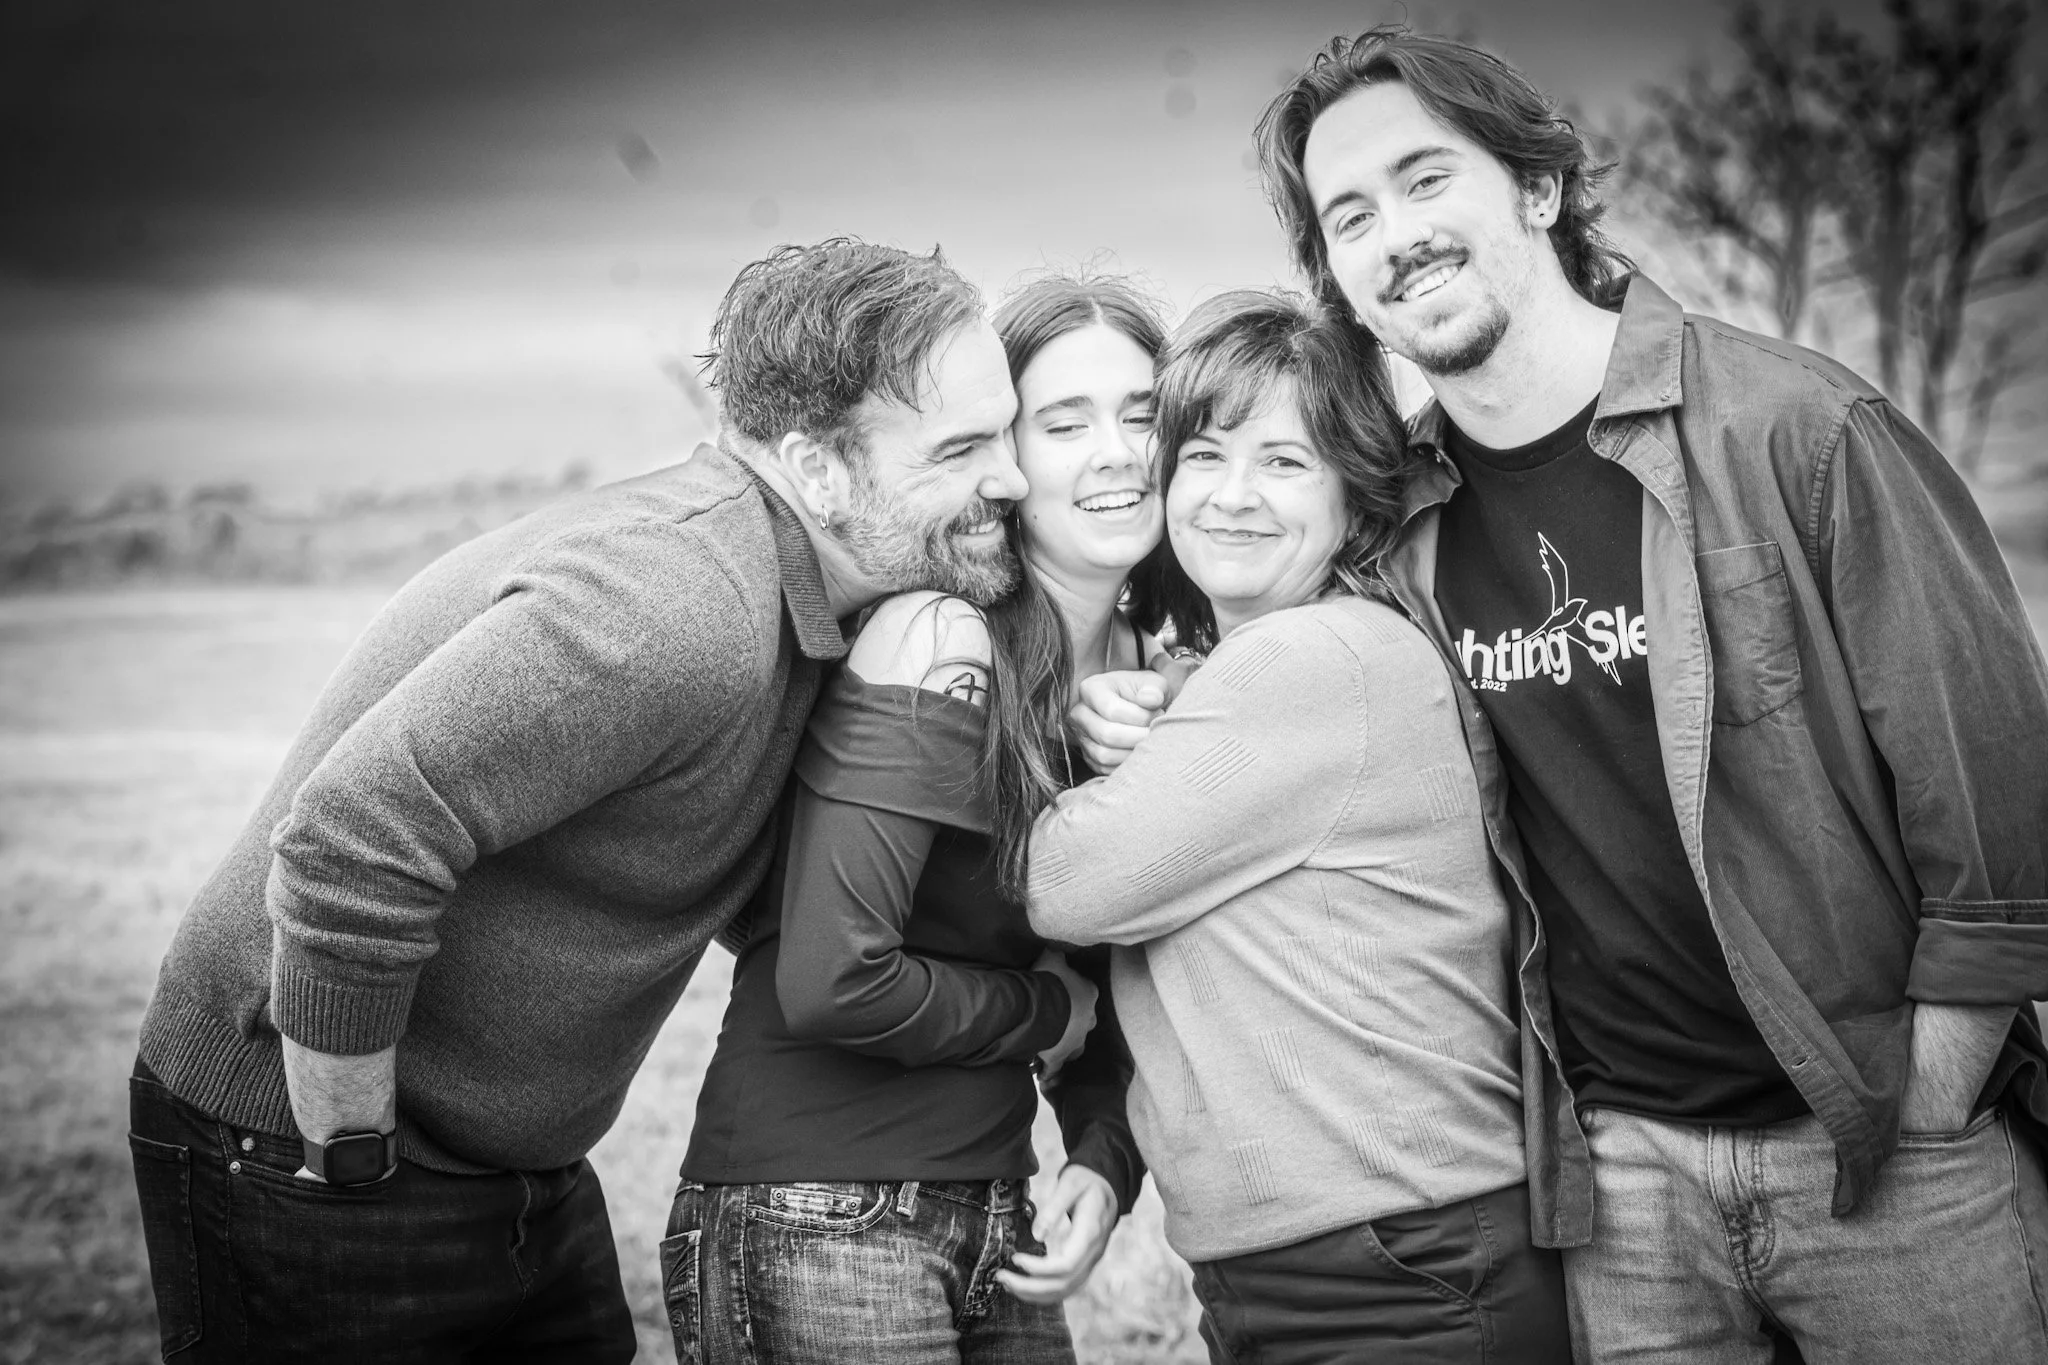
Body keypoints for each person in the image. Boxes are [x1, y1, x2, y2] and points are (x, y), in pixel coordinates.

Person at [1226, 25, 2048, 1364]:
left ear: (1538, 191)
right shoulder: (1399, 538)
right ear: (1341, 279)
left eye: (1428, 180)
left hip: (1890, 1157)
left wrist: (1929, 1103)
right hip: (1622, 1192)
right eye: (1351, 216)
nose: (1397, 236)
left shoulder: (1799, 432)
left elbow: (2001, 808)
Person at [126, 237, 1030, 1363]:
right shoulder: (676, 604)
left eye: (1005, 431)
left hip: (516, 1170)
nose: (1014, 476)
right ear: (816, 468)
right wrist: (352, 1155)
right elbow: (349, 835)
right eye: (962, 448)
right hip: (305, 1143)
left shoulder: (829, 608)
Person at [1028, 289, 1573, 1364]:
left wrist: (1102, 742)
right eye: (1203, 455)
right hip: (1346, 1262)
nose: (1233, 497)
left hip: (1397, 1272)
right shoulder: (1257, 673)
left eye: (1284, 463)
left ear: (1351, 496)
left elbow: (1063, 882)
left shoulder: (1313, 659)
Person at [667, 271, 1167, 1364]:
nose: (1118, 452)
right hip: (817, 1208)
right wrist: (1045, 1015)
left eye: (1143, 413)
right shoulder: (939, 641)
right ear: (1004, 460)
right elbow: (833, 979)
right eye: (1065, 423)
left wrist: (1100, 1153)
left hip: (995, 1209)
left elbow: (1115, 980)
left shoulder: (1160, 680)